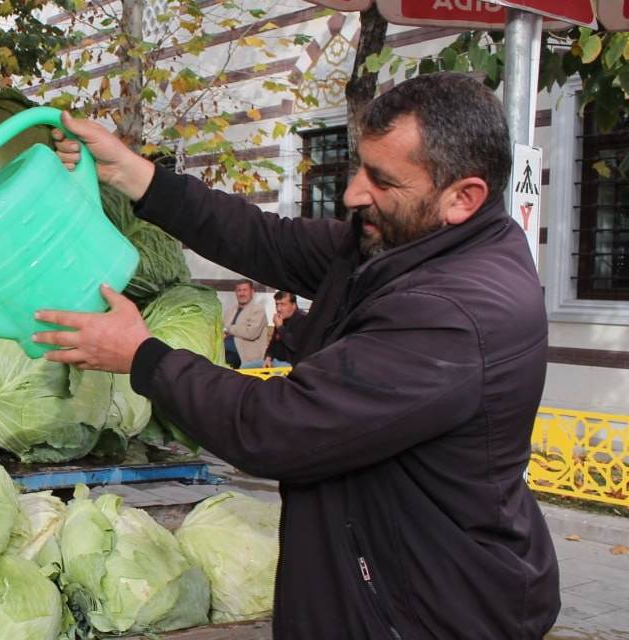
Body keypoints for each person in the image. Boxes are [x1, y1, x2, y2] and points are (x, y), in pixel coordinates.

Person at [33, 72, 560, 639]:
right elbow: (267, 239)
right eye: (359, 166)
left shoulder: (455, 314)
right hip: (378, 583)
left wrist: (142, 356)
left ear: (464, 197)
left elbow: (278, 427)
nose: (355, 193)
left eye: (382, 180)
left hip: (426, 610)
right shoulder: (402, 243)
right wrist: (133, 174)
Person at [222, 279, 268, 369]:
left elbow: (251, 333)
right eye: (239, 290)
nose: (241, 293)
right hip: (225, 352)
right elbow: (222, 330)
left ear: (252, 292)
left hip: (245, 357)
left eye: (245, 290)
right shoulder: (230, 311)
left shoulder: (258, 310)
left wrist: (229, 329)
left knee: (224, 364)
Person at [263, 290, 304, 368]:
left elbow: (294, 346)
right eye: (277, 304)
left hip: (290, 364)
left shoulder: (302, 319)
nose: (278, 309)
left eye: (282, 305)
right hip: (274, 361)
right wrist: (268, 357)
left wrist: (280, 327)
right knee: (245, 367)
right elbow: (273, 343)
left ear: (294, 305)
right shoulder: (281, 318)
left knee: (273, 378)